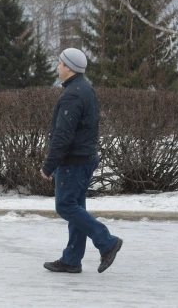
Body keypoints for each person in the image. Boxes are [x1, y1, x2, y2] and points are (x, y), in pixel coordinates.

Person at [41, 48, 123, 274]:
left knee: (65, 205)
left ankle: (107, 242)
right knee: (75, 207)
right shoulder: (85, 88)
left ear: (68, 67)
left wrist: (49, 165)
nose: (57, 67)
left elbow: (63, 135)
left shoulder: (73, 94)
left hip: (73, 161)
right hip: (84, 157)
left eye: (59, 63)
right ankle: (71, 260)